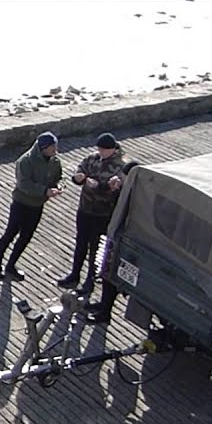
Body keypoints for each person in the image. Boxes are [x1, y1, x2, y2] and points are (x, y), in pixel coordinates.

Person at [59, 133, 128, 294]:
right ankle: (74, 274)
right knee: (81, 243)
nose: (101, 152)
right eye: (100, 149)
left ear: (113, 149)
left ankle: (90, 279)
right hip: (85, 209)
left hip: (103, 213)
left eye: (105, 150)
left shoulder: (121, 166)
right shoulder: (92, 158)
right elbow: (79, 173)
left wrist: (99, 186)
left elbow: (118, 191)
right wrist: (79, 178)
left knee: (96, 249)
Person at [0, 131, 63, 281]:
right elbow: (24, 184)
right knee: (10, 234)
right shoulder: (25, 161)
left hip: (37, 205)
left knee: (26, 236)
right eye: (52, 147)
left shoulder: (54, 161)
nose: (55, 149)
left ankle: (11, 265)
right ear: (44, 148)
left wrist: (57, 187)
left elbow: (57, 178)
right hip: (21, 204)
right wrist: (44, 191)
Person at [85, 160, 143, 324]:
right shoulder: (130, 190)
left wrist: (116, 191)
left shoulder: (134, 193)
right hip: (116, 236)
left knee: (111, 275)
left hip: (123, 240)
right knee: (106, 274)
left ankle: (105, 313)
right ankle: (104, 305)